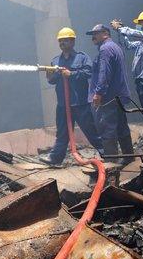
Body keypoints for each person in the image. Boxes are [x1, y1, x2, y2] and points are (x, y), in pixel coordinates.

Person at [39, 27, 104, 166]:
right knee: (62, 133)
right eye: (60, 41)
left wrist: (72, 74)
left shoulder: (82, 57)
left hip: (80, 103)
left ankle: (107, 153)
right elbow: (52, 80)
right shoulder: (56, 60)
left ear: (72, 41)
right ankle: (55, 159)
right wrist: (49, 75)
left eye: (65, 40)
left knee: (91, 131)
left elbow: (89, 72)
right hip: (63, 104)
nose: (62, 43)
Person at [110, 10, 143, 145]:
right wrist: (120, 32)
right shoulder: (142, 42)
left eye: (142, 23)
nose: (140, 25)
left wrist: (120, 28)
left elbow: (135, 33)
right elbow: (127, 45)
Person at [86, 24, 134, 163]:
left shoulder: (105, 49)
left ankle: (111, 163)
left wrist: (98, 93)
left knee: (107, 130)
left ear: (106, 33)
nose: (93, 37)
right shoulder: (115, 47)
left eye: (96, 33)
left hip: (108, 97)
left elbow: (104, 73)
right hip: (119, 95)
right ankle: (129, 157)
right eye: (92, 34)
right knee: (122, 127)